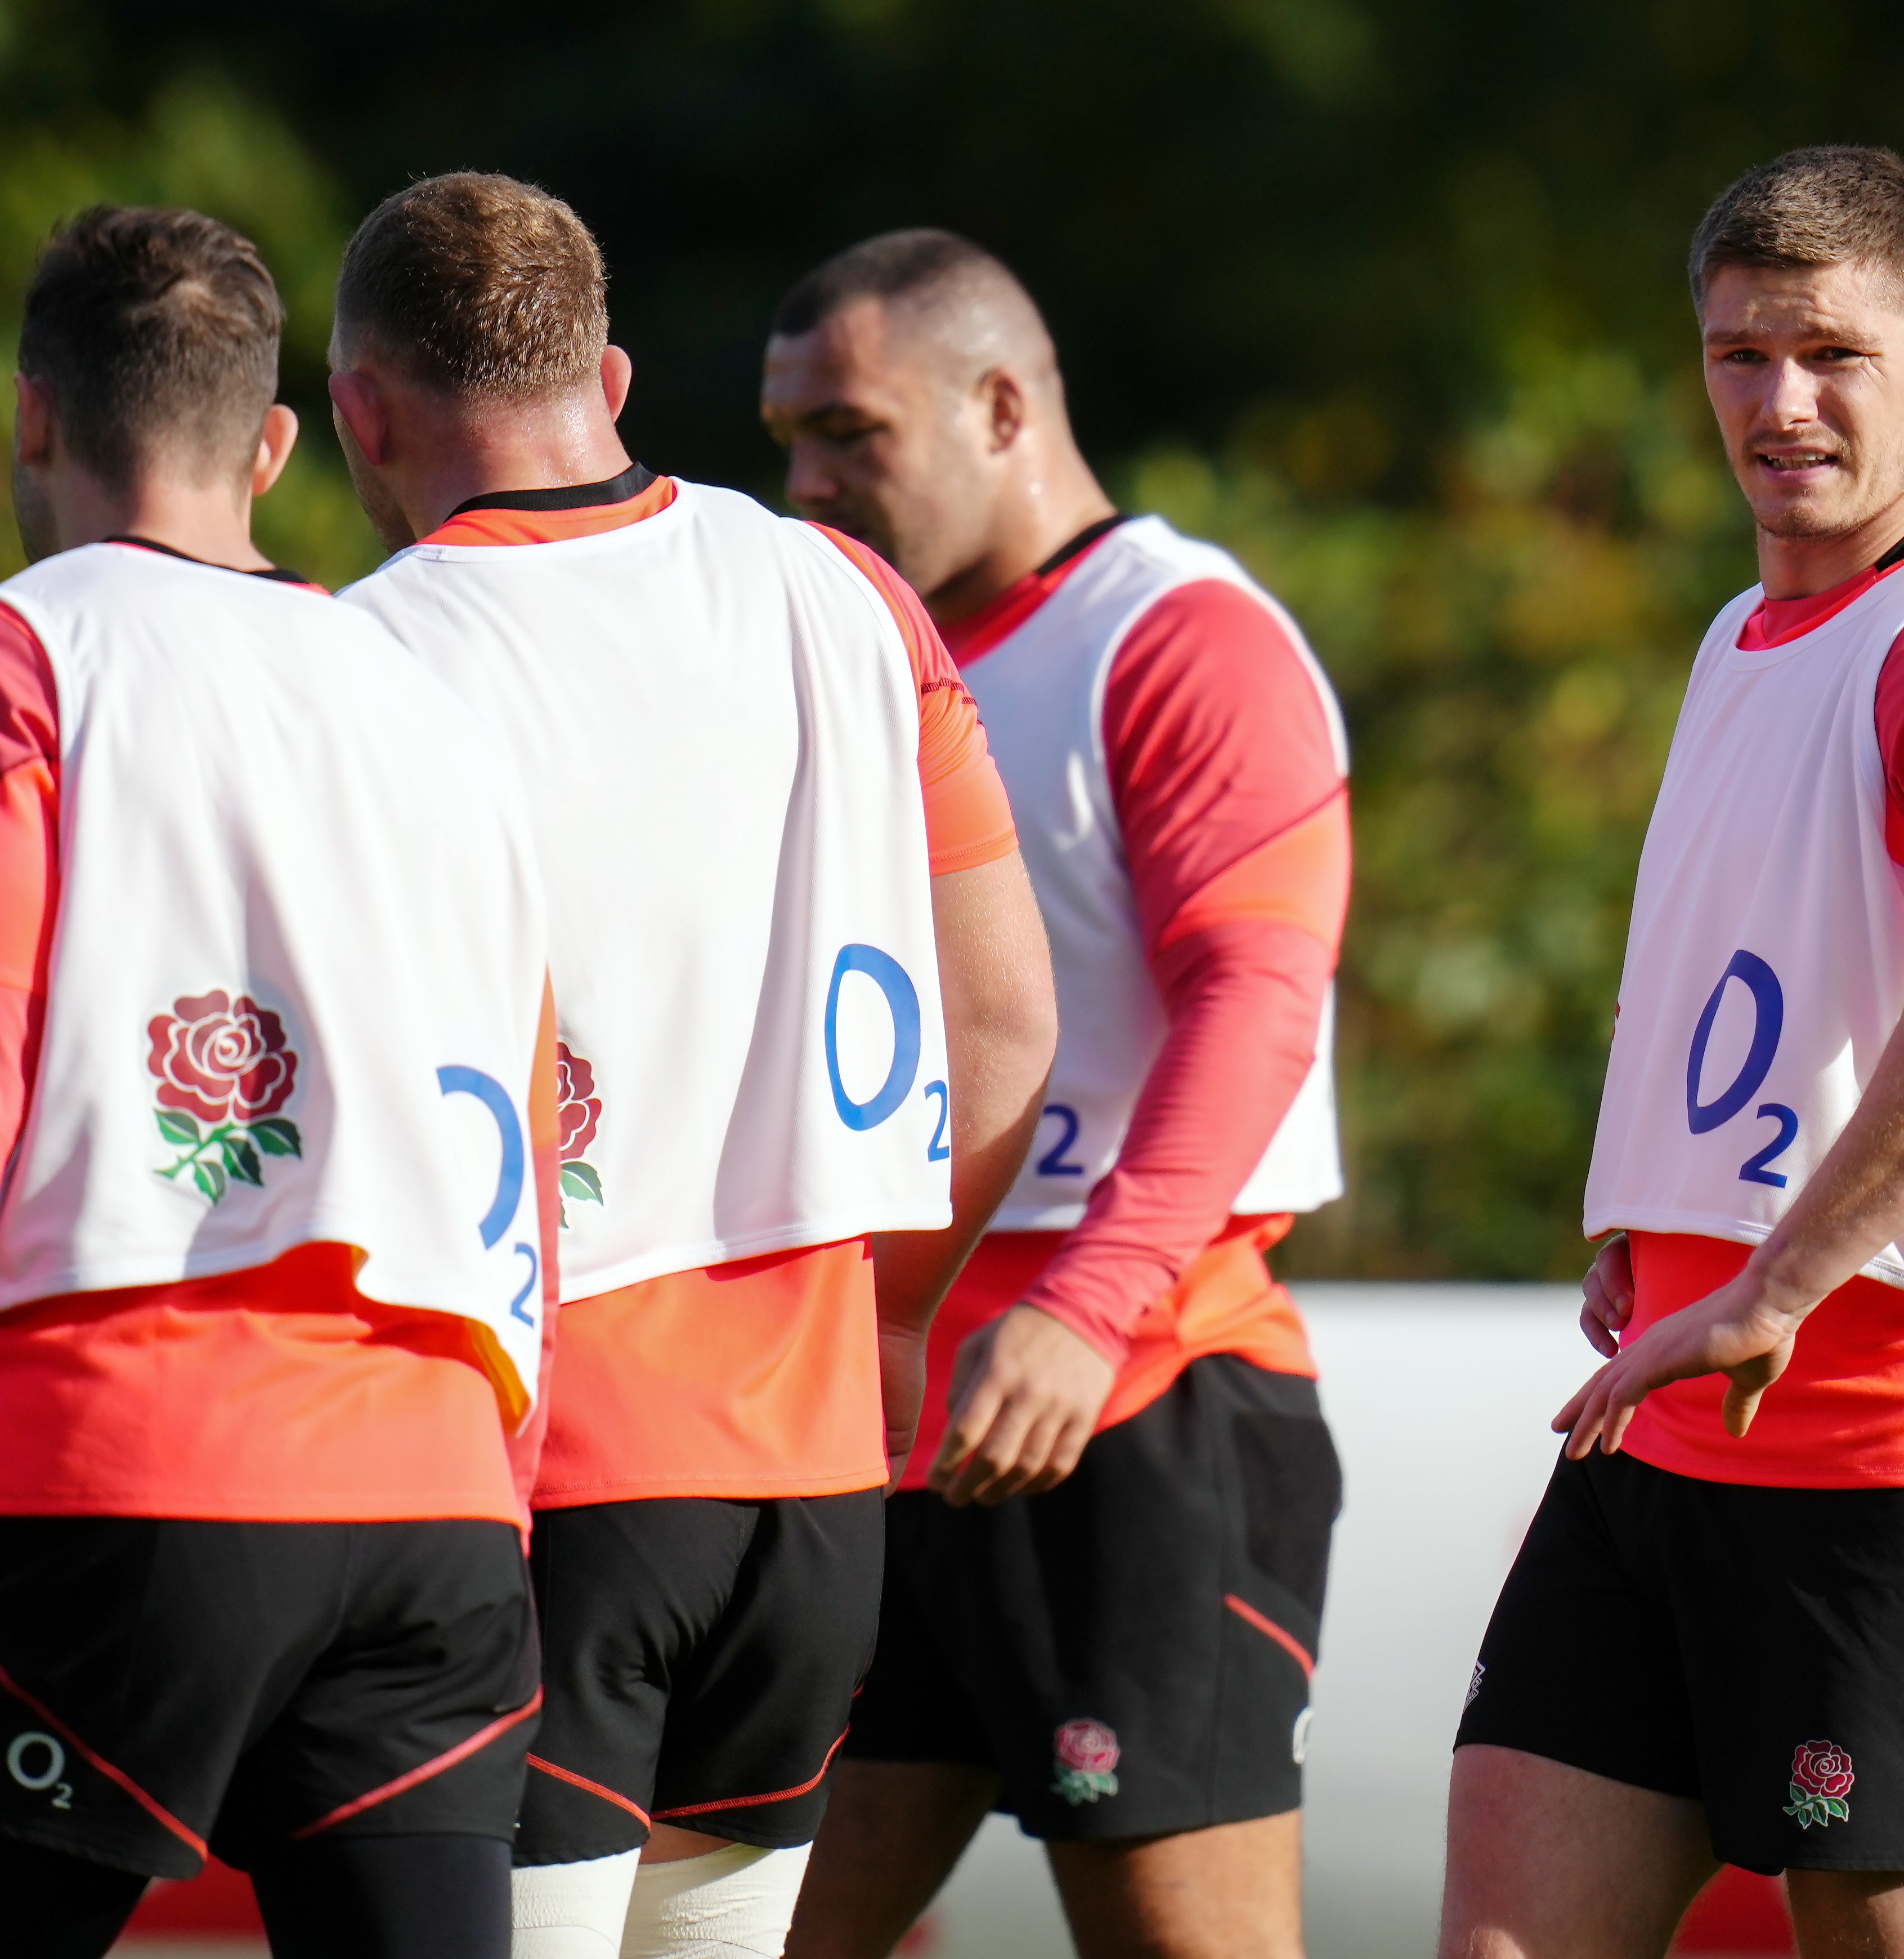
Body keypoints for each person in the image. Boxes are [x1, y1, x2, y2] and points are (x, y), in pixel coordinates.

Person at [0, 206, 561, 1959]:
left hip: (131, 1490)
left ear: (34, 419)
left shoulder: (16, 652)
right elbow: (515, 1114)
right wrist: (496, 1497)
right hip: (438, 1515)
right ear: (275, 443)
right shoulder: (434, 692)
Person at [326, 175, 1059, 1959]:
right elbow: (1011, 1031)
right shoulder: (849, 594)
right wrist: (895, 1321)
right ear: (617, 376)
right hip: (809, 1492)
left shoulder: (363, 657)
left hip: (543, 1483)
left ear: (358, 408)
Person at [1441, 147, 1904, 1959]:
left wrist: (1774, 1277)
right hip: (1663, 1449)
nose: (1782, 401)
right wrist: (1659, 1216)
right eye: (1740, 355)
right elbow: (1777, 976)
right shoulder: (1749, 624)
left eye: (1833, 352)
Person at [760, 230, 1351, 1959]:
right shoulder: (855, 663)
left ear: (1003, 405)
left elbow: (1260, 995)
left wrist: (1089, 1311)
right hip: (882, 1441)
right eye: (786, 438)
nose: (806, 484)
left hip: (1137, 1409)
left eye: (850, 434)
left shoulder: (1176, 639)